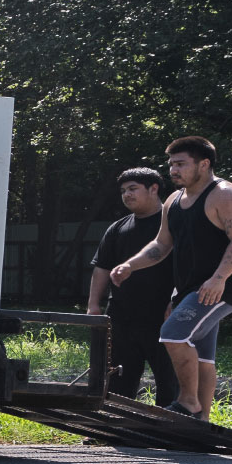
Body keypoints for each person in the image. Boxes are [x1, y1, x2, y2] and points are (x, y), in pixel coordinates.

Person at [109, 135, 232, 420]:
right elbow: (162, 245)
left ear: (204, 164)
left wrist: (218, 278)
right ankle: (201, 421)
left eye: (181, 164)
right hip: (190, 288)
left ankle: (187, 402)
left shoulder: (225, 194)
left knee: (172, 334)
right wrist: (130, 265)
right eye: (171, 164)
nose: (173, 170)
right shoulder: (174, 200)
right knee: (202, 355)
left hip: (222, 286)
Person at [87, 167, 179, 407]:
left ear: (154, 189)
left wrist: (178, 299)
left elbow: (190, 267)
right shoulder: (117, 228)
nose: (127, 195)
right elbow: (102, 268)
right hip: (122, 316)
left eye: (133, 189)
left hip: (164, 316)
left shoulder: (173, 225)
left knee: (169, 379)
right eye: (123, 191)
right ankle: (117, 427)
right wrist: (93, 306)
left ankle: (168, 431)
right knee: (119, 377)